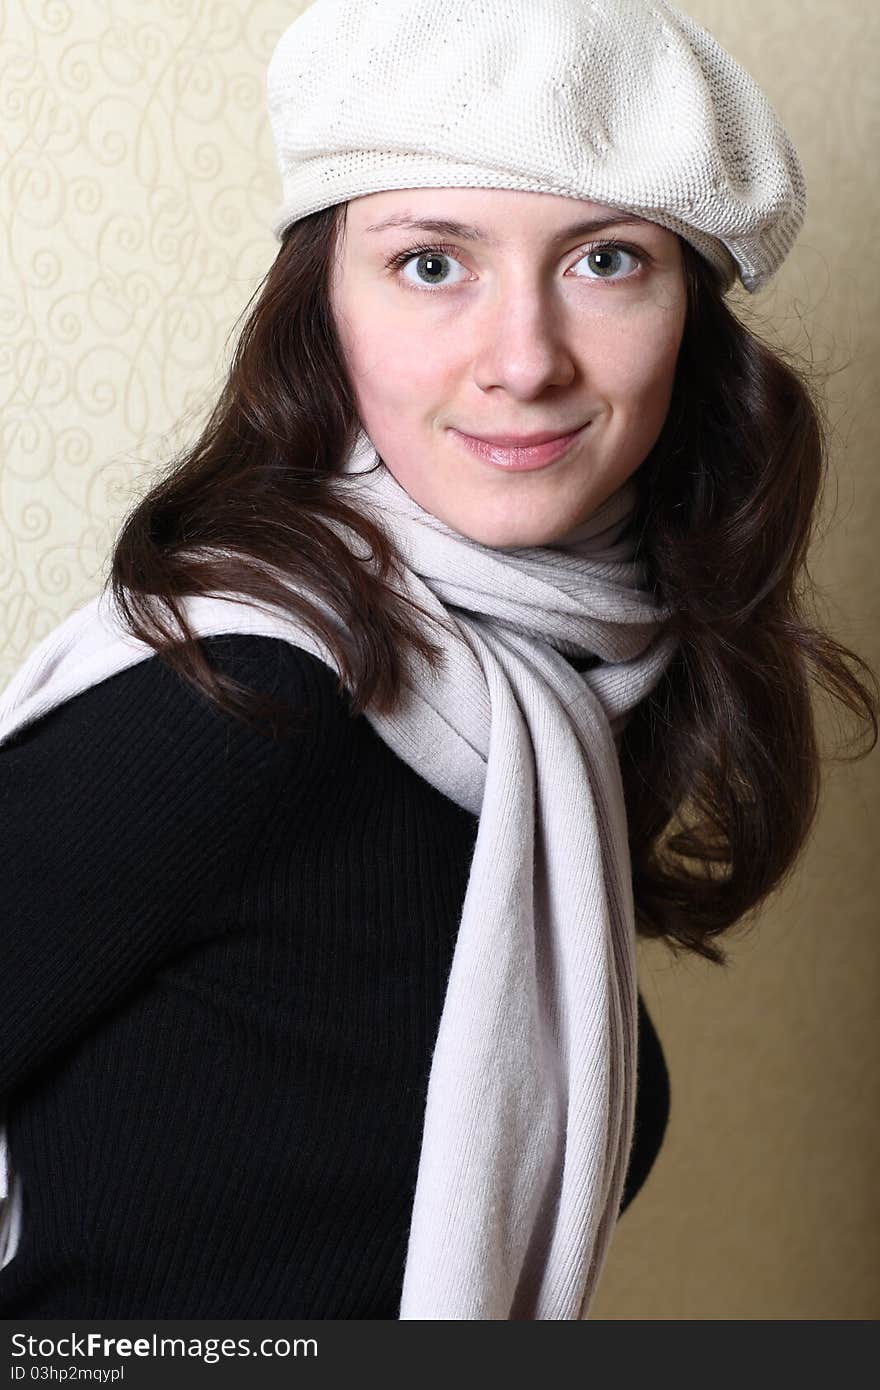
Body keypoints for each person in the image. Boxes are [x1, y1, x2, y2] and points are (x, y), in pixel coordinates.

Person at [0, 0, 876, 1321]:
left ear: (689, 308)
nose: (523, 360)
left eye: (605, 261)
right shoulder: (247, 698)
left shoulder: (568, 687)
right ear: (325, 305)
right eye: (430, 264)